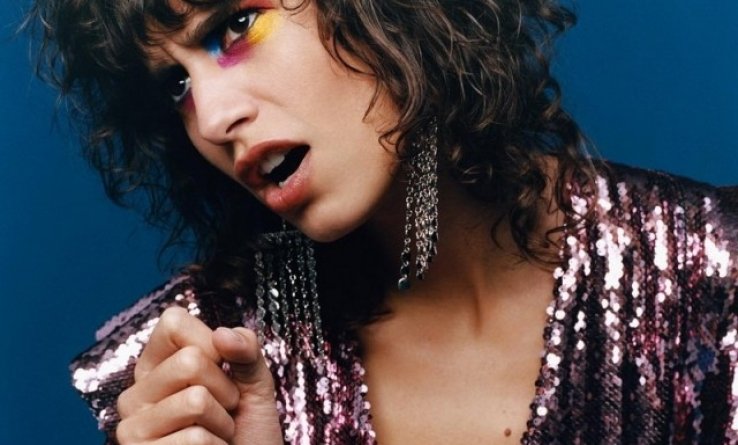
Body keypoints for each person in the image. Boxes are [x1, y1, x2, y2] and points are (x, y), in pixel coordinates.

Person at [27, 0, 738, 443]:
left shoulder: (709, 275)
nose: (211, 118)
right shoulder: (196, 374)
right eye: (177, 83)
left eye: (235, 25)